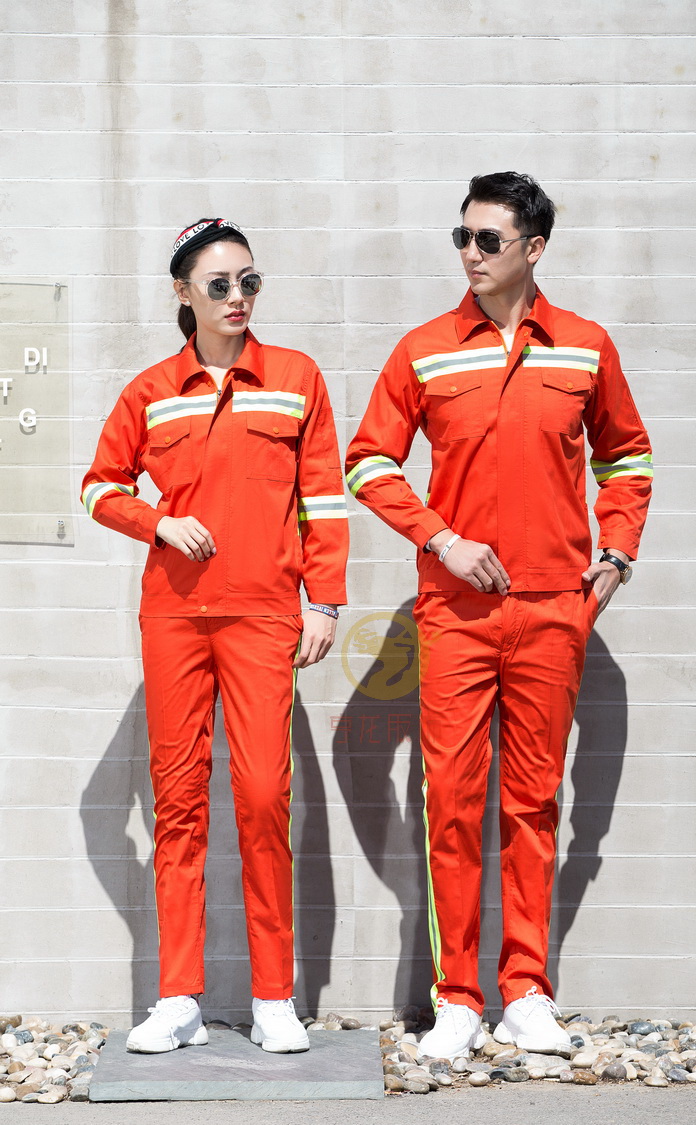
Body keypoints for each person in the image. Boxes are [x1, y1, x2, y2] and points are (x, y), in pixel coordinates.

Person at [346, 173, 652, 1059]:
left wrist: (617, 550)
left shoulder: (585, 347)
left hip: (555, 608)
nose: (470, 254)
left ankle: (525, 992)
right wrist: (440, 539)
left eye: (488, 239)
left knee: (533, 802)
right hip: (455, 612)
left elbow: (627, 457)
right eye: (462, 237)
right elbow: (368, 462)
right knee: (451, 799)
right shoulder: (426, 349)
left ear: (534, 247)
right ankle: (457, 997)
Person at [82, 218, 348, 1055]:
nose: (239, 298)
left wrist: (325, 601)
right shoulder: (151, 390)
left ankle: (274, 995)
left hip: (265, 616)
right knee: (179, 802)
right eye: (221, 284)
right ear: (184, 292)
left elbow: (324, 497)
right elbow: (98, 485)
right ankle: (179, 998)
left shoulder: (296, 378)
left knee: (265, 796)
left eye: (250, 282)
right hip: (174, 618)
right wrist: (157, 522)